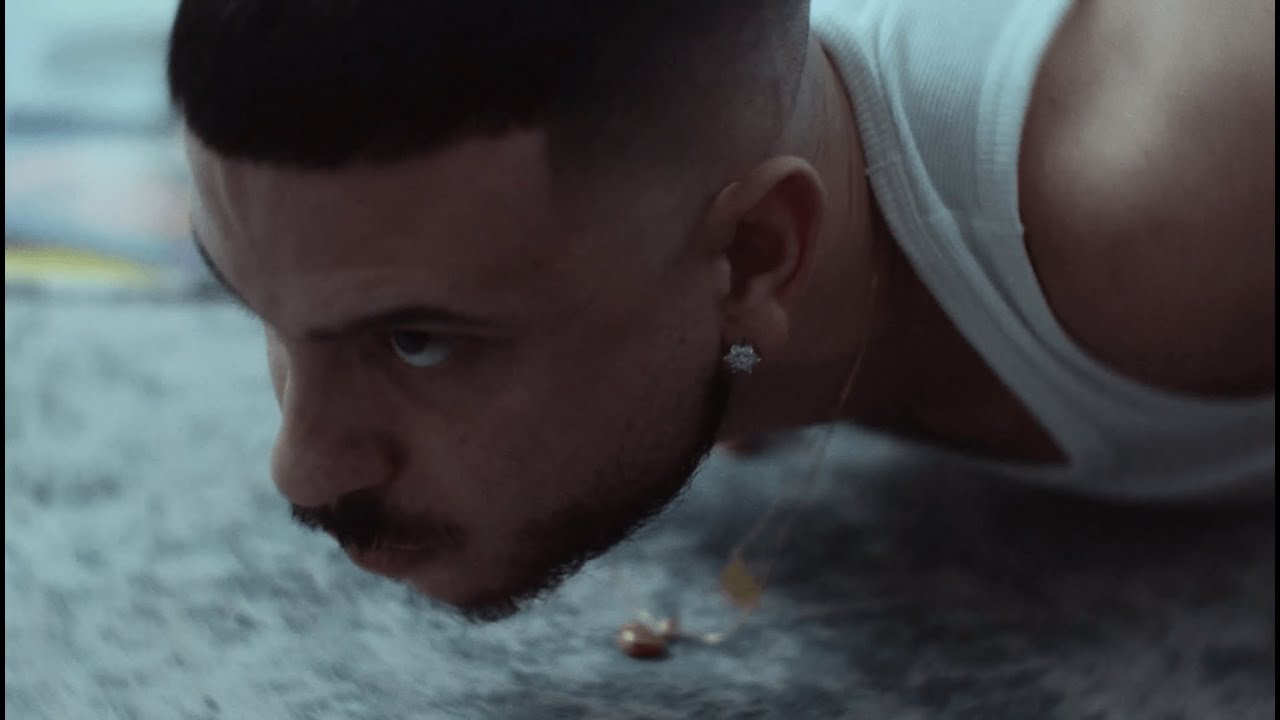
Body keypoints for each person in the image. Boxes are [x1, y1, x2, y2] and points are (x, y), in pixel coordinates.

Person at [168, 0, 1275, 622]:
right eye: (257, 305)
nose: (300, 471)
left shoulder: (1189, 190)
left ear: (755, 257)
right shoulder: (657, 236)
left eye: (416, 341)